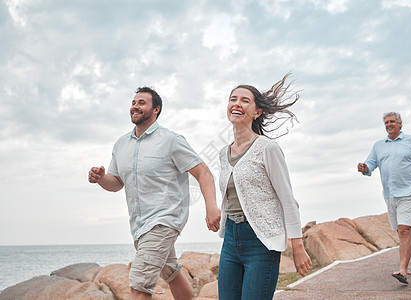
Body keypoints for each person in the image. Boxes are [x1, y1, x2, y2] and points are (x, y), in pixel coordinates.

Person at [88, 87, 221, 300]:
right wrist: (101, 178)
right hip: (139, 225)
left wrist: (211, 206)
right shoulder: (121, 144)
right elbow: (116, 183)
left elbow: (203, 172)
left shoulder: (171, 140)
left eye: (142, 102)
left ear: (156, 109)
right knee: (171, 272)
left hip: (164, 221)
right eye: (133, 102)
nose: (135, 106)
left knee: (138, 286)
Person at [217, 73, 312, 300]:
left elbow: (287, 199)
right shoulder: (223, 153)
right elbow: (233, 193)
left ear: (257, 112)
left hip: (261, 241)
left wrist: (297, 245)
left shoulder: (267, 148)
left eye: (245, 100)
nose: (237, 103)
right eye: (233, 99)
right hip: (230, 238)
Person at [357, 112, 411, 285]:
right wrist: (363, 168)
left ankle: (402, 270)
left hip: (408, 192)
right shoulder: (378, 146)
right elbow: (370, 165)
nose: (389, 124)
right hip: (390, 195)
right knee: (402, 231)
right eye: (386, 122)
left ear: (400, 124)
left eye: (392, 121)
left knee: (404, 230)